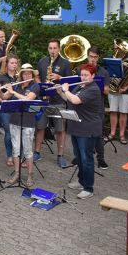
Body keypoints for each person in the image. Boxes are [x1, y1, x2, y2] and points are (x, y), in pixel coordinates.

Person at [58, 63, 101, 199]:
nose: (83, 77)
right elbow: (70, 100)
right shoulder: (79, 86)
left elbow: (75, 100)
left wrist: (66, 90)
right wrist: (60, 92)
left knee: (87, 158)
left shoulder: (93, 89)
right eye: (81, 74)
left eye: (86, 75)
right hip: (76, 126)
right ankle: (82, 181)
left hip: (88, 127)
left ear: (93, 76)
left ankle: (88, 188)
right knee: (79, 157)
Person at [34, 38, 73, 166]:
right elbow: (37, 76)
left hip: (58, 100)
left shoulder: (65, 63)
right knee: (40, 127)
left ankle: (60, 155)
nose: (52, 51)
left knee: (60, 129)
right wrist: (40, 85)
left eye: (55, 48)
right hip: (44, 100)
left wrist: (59, 77)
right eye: (50, 48)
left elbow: (70, 82)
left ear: (59, 49)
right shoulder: (42, 61)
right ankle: (37, 152)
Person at [0, 64, 39, 187]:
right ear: (21, 75)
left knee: (27, 149)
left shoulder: (35, 86)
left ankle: (30, 174)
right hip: (15, 120)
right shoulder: (17, 86)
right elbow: (4, 97)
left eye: (29, 73)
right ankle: (17, 173)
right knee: (16, 149)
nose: (27, 75)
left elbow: (28, 99)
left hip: (28, 122)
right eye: (24, 73)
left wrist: (13, 92)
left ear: (32, 75)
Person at [80, 46, 110, 169]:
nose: (93, 59)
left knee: (98, 134)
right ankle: (80, 157)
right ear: (87, 56)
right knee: (81, 133)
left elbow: (107, 91)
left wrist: (93, 84)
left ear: (99, 57)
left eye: (95, 57)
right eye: (91, 56)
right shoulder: (80, 70)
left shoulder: (103, 72)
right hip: (82, 107)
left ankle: (100, 159)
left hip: (97, 108)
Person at [107, 42, 128, 145]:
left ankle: (122, 134)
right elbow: (106, 72)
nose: (116, 47)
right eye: (115, 45)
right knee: (113, 111)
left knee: (123, 112)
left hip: (126, 90)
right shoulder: (110, 57)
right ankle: (112, 133)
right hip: (113, 89)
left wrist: (127, 86)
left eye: (118, 45)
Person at [0, 55, 19, 167]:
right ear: (6, 64)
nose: (14, 65)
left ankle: (17, 155)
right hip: (4, 107)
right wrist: (2, 101)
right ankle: (9, 155)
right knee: (9, 131)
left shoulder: (19, 77)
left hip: (17, 106)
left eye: (15, 63)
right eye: (12, 63)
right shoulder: (0, 77)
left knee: (18, 131)